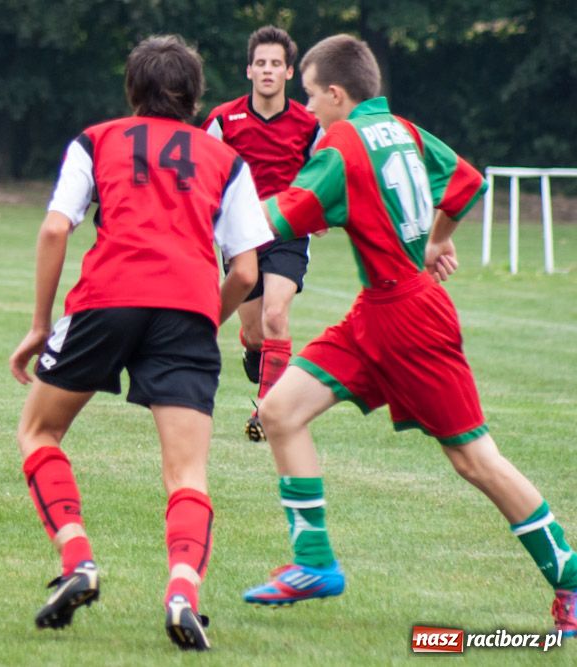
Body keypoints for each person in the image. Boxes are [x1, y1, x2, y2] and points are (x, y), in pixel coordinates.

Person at [241, 34, 577, 638]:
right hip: (377, 309)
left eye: (311, 96)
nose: (308, 108)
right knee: (280, 410)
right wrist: (436, 240)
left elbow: (281, 217)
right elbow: (467, 181)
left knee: (475, 459)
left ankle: (571, 579)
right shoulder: (402, 130)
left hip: (412, 321)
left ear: (336, 94)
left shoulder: (343, 143)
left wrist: (210, 211)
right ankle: (314, 564)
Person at [9, 35, 272, 651]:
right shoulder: (226, 158)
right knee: (187, 472)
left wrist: (40, 325)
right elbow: (245, 272)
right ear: (195, 96)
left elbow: (55, 228)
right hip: (187, 307)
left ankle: (77, 559)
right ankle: (182, 592)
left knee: (39, 431)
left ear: (132, 90)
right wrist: (203, 319)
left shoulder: (96, 140)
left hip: (107, 298)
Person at [202, 25, 320, 442]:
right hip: (240, 237)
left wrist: (321, 211)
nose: (268, 70)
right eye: (260, 63)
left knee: (275, 316)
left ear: (288, 72)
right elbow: (202, 172)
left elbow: (326, 171)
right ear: (248, 70)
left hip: (289, 233)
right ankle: (254, 349)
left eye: (276, 64)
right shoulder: (223, 120)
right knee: (256, 332)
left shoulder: (309, 124)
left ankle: (267, 413)